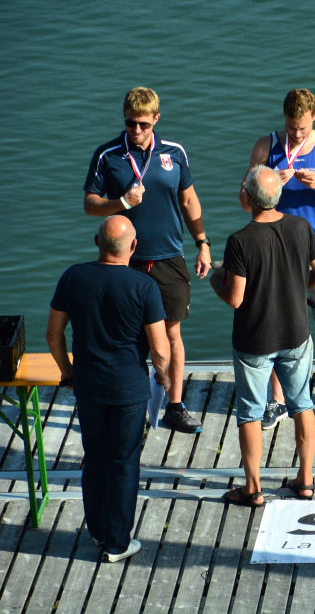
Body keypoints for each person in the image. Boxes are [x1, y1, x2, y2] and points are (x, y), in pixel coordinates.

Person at [83, 87, 208, 434]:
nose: (136, 130)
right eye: (130, 123)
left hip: (169, 258)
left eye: (143, 124)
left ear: (156, 119)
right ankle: (131, 408)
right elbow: (90, 204)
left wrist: (202, 243)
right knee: (127, 338)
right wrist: (122, 203)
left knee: (172, 333)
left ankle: (175, 406)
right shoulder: (107, 155)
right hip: (124, 261)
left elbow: (189, 201)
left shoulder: (174, 152)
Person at [46, 216, 171, 563]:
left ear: (96, 242)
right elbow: (160, 349)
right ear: (134, 246)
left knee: (95, 458)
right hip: (129, 389)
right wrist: (163, 377)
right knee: (124, 463)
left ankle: (99, 530)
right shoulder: (144, 286)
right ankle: (117, 544)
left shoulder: (72, 277)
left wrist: (68, 372)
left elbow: (53, 334)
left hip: (88, 385)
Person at [210, 166, 315, 505]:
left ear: (247, 198)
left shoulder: (240, 241)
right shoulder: (301, 227)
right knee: (302, 404)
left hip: (255, 338)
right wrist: (296, 286)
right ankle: (305, 480)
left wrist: (216, 279)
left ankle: (253, 489)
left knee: (250, 412)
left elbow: (235, 298)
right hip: (296, 332)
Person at [246, 89, 315, 431]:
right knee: (276, 324)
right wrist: (268, 186)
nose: (296, 134)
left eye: (303, 128)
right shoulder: (266, 146)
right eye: (291, 127)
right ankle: (277, 400)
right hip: (276, 248)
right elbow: (244, 200)